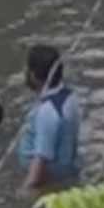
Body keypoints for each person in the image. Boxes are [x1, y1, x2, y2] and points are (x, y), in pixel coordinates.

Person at [18, 44, 80, 197]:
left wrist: (26, 188)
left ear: (33, 75)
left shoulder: (47, 112)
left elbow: (42, 158)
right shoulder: (69, 97)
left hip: (48, 180)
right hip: (66, 170)